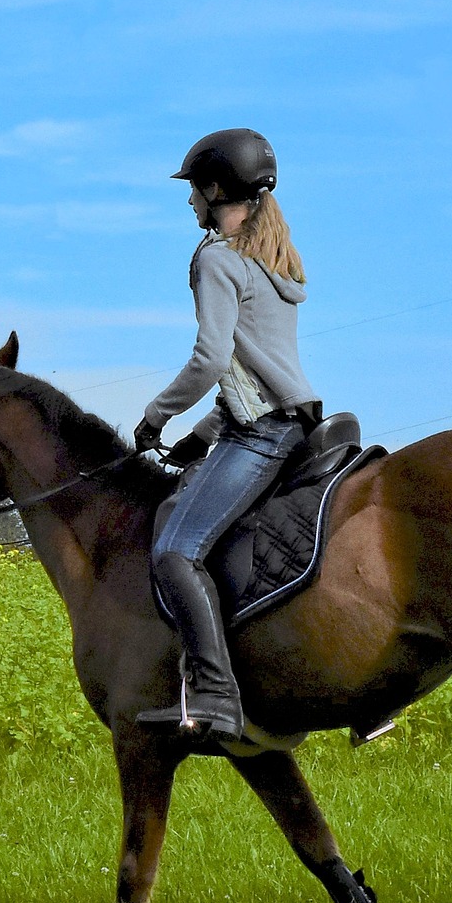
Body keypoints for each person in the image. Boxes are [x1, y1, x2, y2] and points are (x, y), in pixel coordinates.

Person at [131, 128, 319, 742]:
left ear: (215, 191)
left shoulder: (216, 257)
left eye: (192, 192)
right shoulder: (271, 263)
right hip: (286, 424)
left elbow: (212, 358)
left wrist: (157, 417)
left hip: (262, 435)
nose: (189, 202)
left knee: (174, 554)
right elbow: (258, 366)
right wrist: (204, 434)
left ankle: (214, 696)